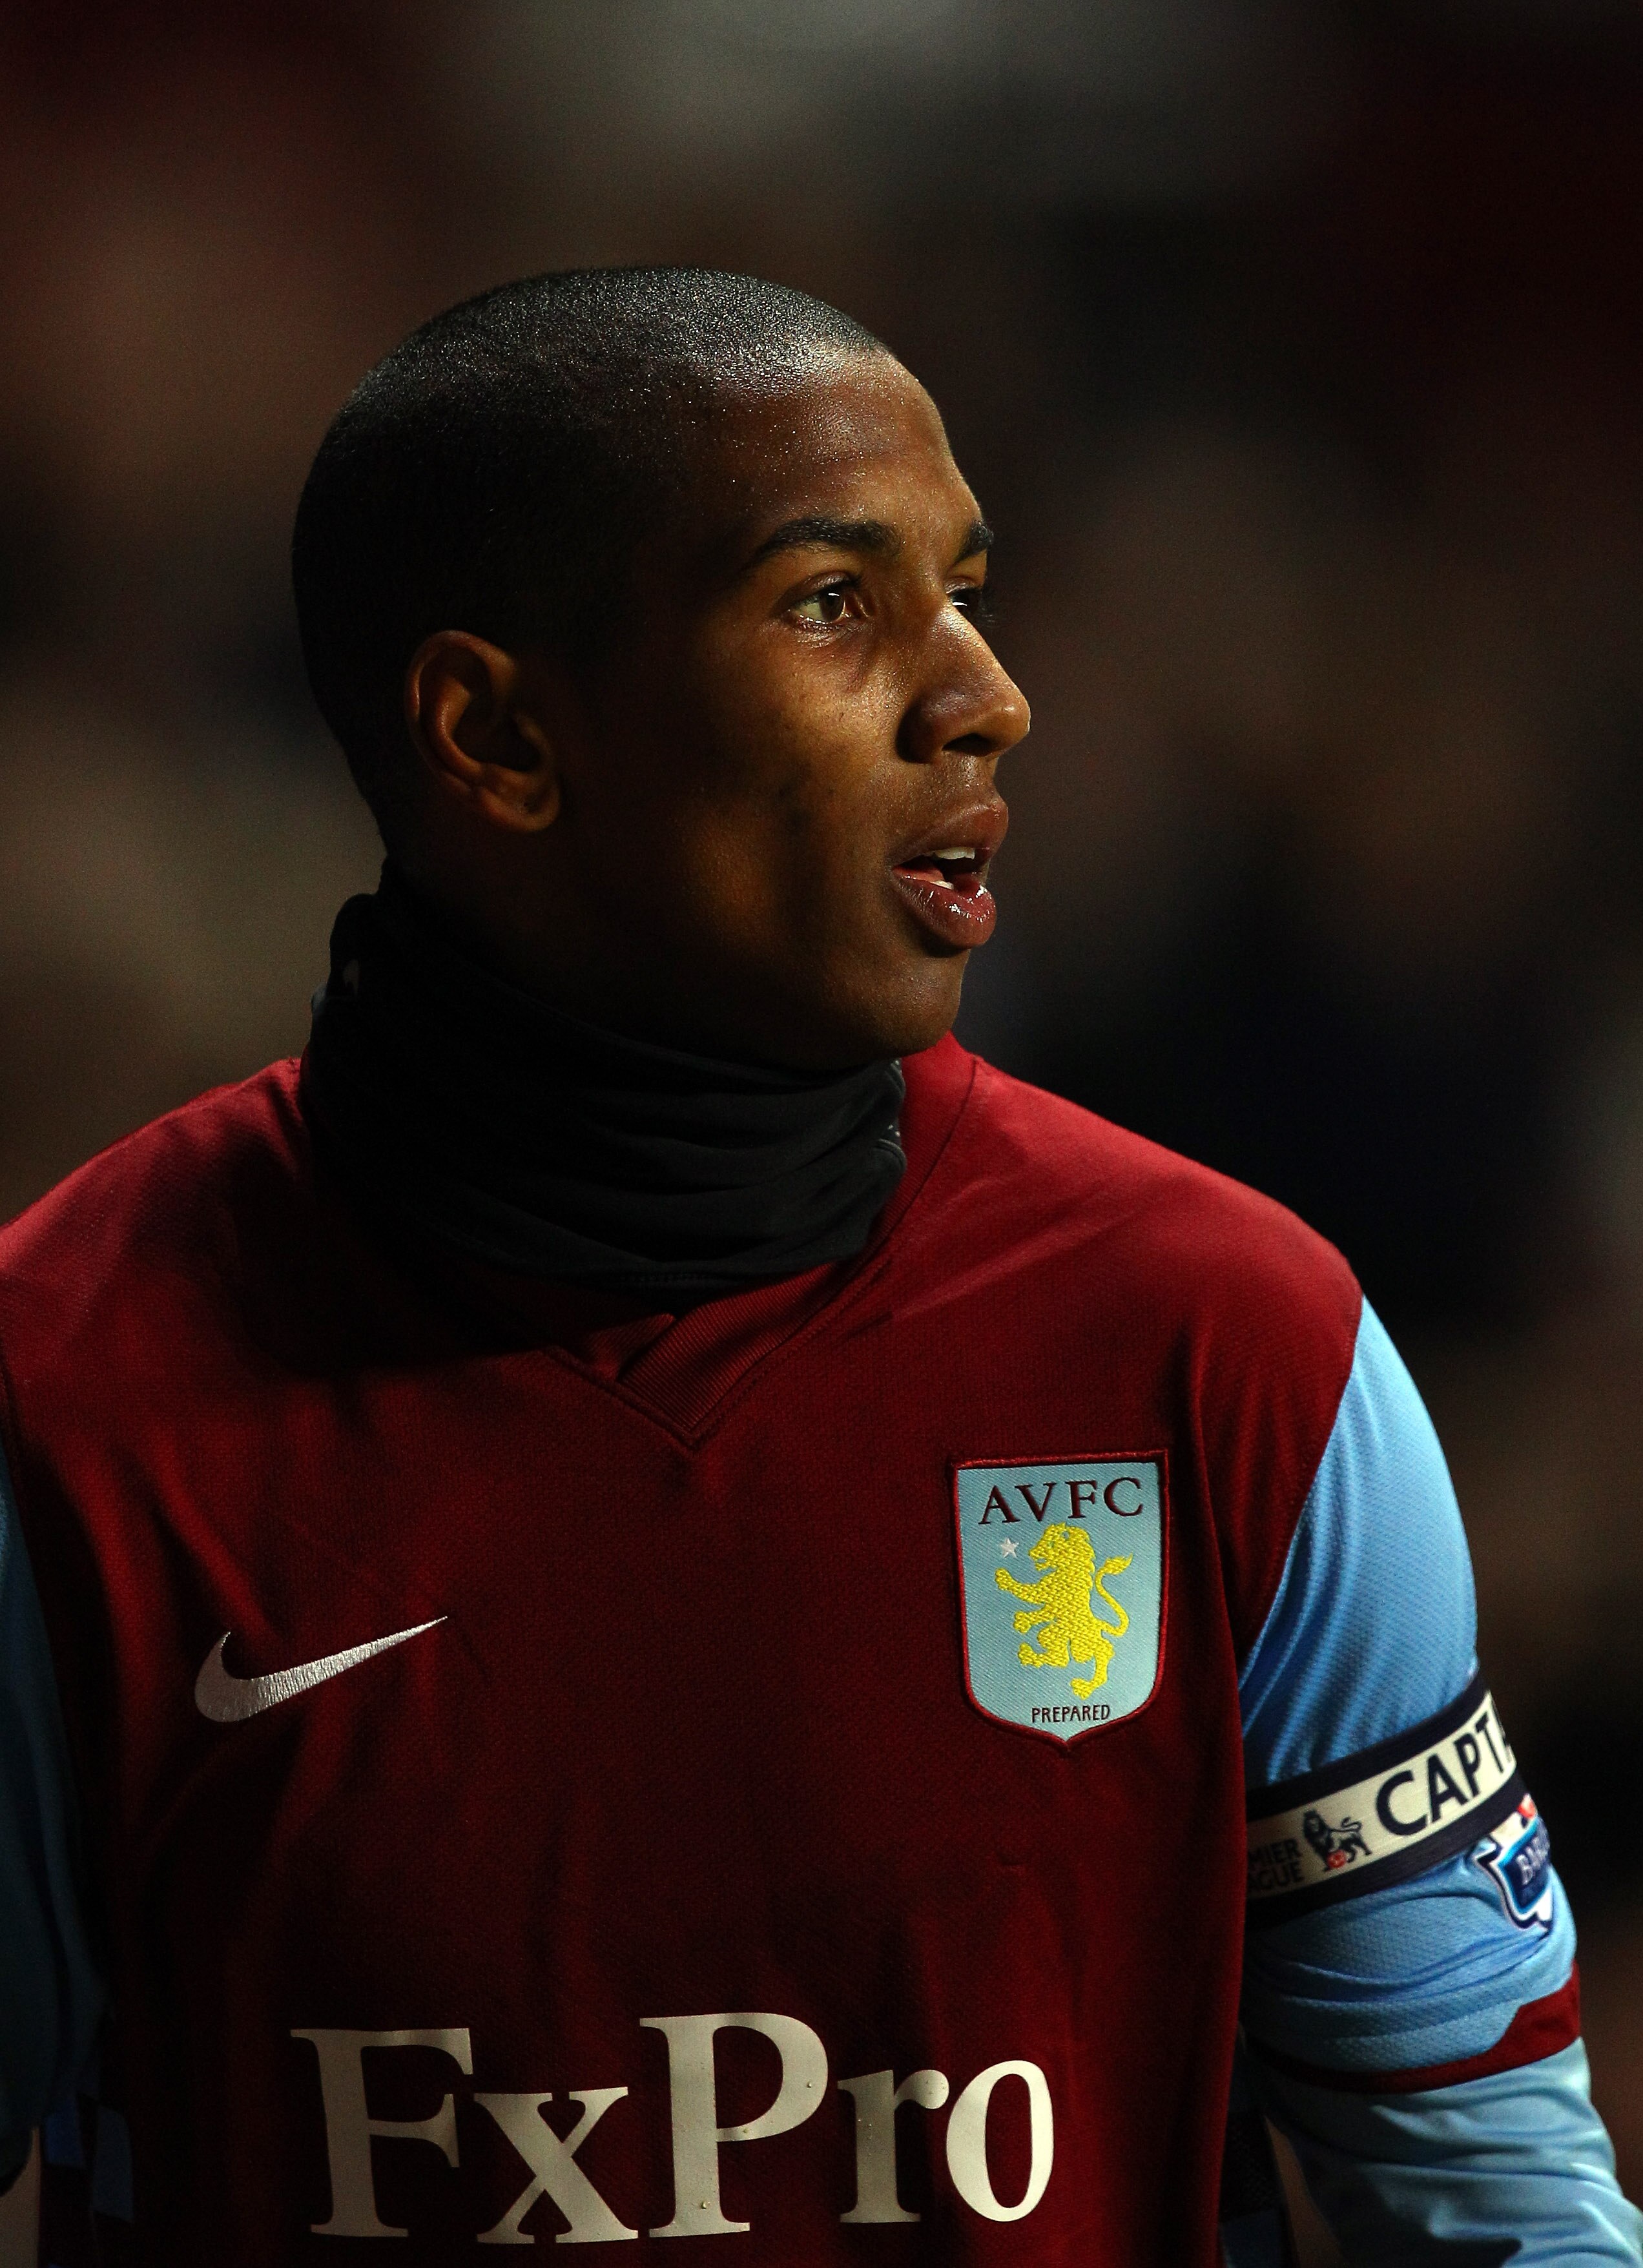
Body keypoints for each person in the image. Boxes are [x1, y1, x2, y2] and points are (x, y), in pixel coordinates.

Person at [0, 267, 1635, 2267]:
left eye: (968, 589)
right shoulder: (63, 1393)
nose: (984, 694)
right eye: (832, 603)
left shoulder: (1232, 1349)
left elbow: (1486, 2210)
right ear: (496, 733)